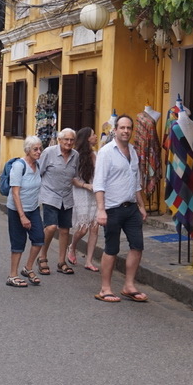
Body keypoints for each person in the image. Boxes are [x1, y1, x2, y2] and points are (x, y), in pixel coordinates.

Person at [93, 115, 148, 303]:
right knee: (111, 249)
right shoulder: (106, 152)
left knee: (137, 246)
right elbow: (99, 183)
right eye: (122, 127)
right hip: (112, 208)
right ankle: (105, 289)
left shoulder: (132, 151)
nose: (126, 131)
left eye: (129, 128)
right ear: (115, 130)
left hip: (131, 207)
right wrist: (101, 210)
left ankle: (128, 285)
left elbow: (136, 182)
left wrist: (141, 206)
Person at [37, 128, 79, 276]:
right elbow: (38, 172)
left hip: (66, 196)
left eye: (71, 140)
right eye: (66, 139)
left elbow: (75, 175)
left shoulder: (75, 156)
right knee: (50, 227)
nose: (68, 142)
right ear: (60, 140)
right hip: (50, 194)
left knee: (65, 230)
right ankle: (42, 257)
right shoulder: (48, 153)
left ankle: (62, 262)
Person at [5, 136, 45, 287]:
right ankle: (12, 275)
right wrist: (22, 216)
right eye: (35, 149)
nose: (39, 151)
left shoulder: (38, 165)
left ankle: (28, 268)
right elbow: (15, 192)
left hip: (33, 208)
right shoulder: (19, 166)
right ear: (28, 150)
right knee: (18, 242)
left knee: (39, 238)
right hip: (17, 209)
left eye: (40, 148)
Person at [69, 127, 100, 272]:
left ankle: (89, 260)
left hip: (94, 192)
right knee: (83, 229)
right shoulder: (75, 156)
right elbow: (72, 179)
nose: (96, 136)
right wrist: (86, 185)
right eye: (93, 134)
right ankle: (72, 246)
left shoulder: (96, 154)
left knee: (95, 227)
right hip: (81, 191)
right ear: (87, 138)